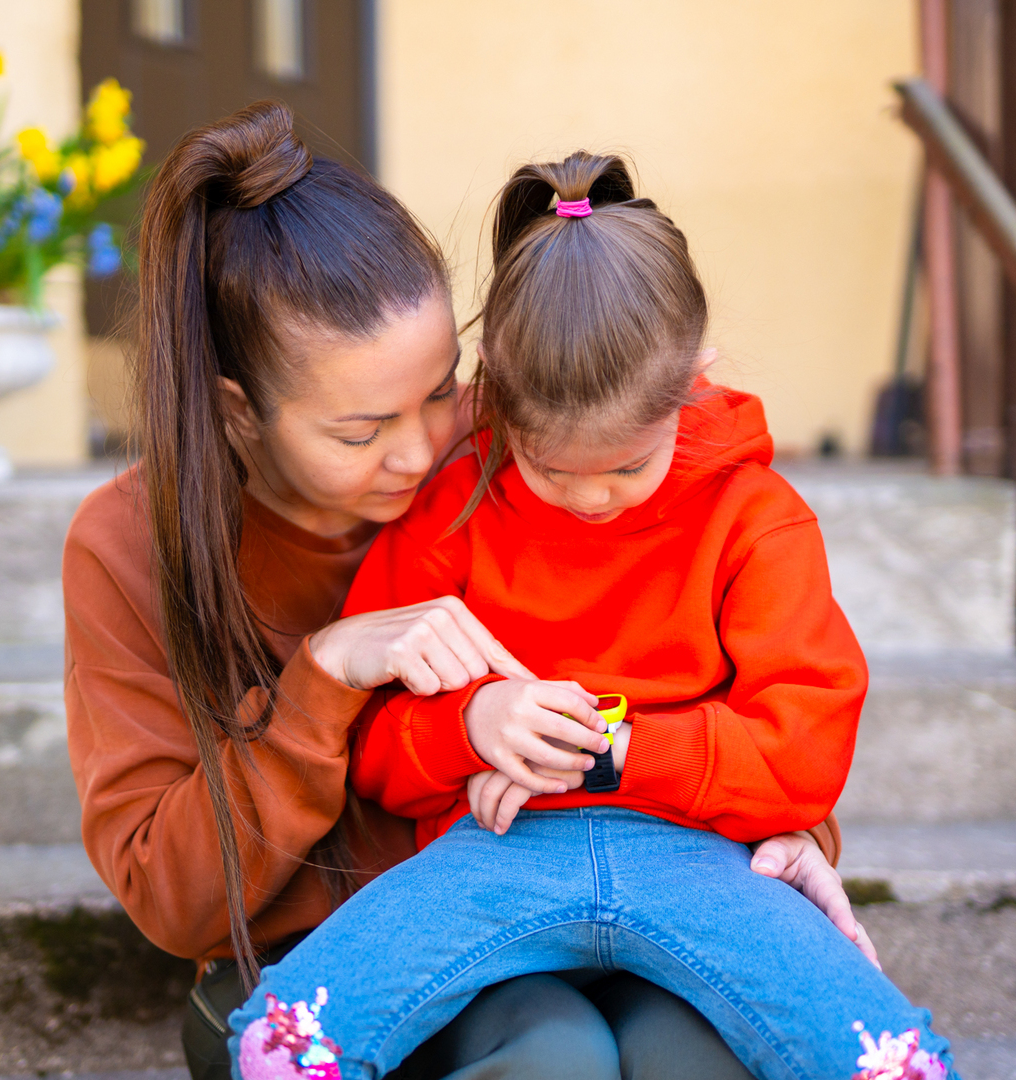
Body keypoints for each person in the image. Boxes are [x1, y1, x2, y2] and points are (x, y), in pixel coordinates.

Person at [65, 102, 874, 1080]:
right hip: (347, 959)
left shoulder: (530, 445)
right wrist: (326, 680)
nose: (422, 448)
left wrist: (789, 835)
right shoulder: (128, 549)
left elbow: (688, 655)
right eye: (361, 432)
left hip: (600, 900)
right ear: (242, 413)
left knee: (692, 1051)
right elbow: (178, 895)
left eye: (445, 388)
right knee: (553, 1057)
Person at [227, 152, 957, 1080]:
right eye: (552, 470)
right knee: (282, 1040)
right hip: (494, 852)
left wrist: (611, 752)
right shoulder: (453, 502)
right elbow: (370, 752)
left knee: (891, 1061)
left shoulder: (757, 520)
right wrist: (472, 728)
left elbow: (804, 749)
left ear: (694, 379)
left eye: (627, 467)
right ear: (493, 386)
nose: (593, 499)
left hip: (701, 860)